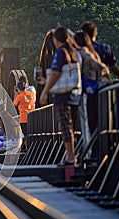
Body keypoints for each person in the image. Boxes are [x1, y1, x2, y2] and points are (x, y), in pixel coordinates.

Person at [80, 21, 119, 159]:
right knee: (108, 118)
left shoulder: (82, 50)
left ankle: (96, 152)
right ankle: (111, 148)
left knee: (92, 122)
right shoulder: (105, 48)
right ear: (95, 33)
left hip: (89, 91)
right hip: (105, 88)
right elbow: (115, 68)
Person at [39, 26, 82, 165]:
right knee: (73, 126)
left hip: (62, 96)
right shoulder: (74, 52)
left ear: (57, 40)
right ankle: (74, 154)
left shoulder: (60, 53)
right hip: (75, 94)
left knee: (65, 126)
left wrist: (45, 91)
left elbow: (56, 73)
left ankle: (70, 157)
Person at [14, 80, 35, 150]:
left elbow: (15, 104)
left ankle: (27, 148)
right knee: (31, 132)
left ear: (18, 88)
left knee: (25, 134)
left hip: (23, 118)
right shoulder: (30, 94)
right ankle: (32, 146)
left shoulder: (19, 96)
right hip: (32, 116)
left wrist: (16, 93)